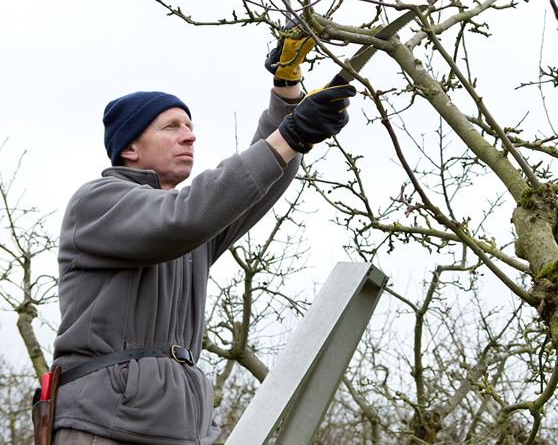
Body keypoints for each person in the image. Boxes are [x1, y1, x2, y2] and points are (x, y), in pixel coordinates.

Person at [48, 34, 354, 445]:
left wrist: (287, 91)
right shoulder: (98, 203)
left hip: (179, 427)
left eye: (190, 127)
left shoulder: (189, 222)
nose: (190, 136)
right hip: (103, 423)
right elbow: (184, 218)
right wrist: (290, 134)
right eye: (171, 127)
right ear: (130, 148)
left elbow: (253, 186)